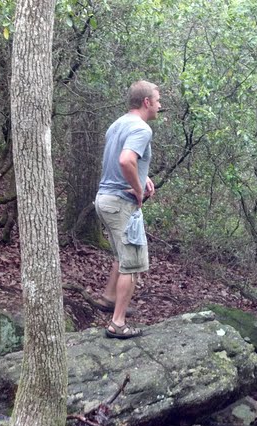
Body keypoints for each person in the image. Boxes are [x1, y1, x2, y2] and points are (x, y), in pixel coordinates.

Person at [94, 80, 161, 339]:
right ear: (146, 102)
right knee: (133, 263)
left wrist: (142, 176)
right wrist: (138, 189)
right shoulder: (142, 128)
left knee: (122, 256)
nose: (159, 105)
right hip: (120, 203)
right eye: (157, 100)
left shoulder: (118, 124)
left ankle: (110, 297)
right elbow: (125, 160)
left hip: (105, 199)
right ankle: (118, 323)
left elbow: (121, 159)